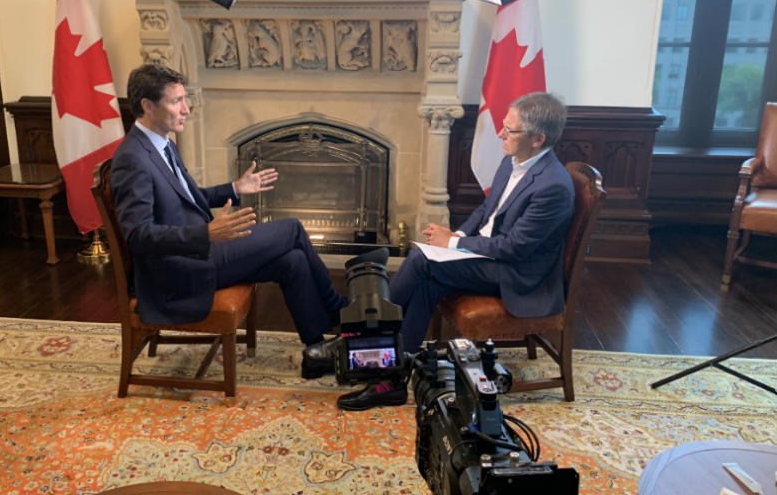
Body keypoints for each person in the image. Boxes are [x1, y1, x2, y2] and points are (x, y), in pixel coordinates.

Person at [337, 92, 575, 411]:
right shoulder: (513, 161)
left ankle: (364, 335)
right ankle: (392, 378)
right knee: (427, 282)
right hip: (488, 255)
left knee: (421, 259)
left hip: (516, 273)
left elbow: (515, 248)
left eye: (510, 130)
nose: (501, 134)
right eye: (503, 126)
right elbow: (487, 209)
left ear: (538, 138)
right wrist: (458, 234)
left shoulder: (553, 185)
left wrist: (452, 244)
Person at [110, 64, 347, 379]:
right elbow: (138, 235)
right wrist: (205, 233)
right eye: (177, 101)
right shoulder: (132, 159)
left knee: (292, 260)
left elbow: (189, 198)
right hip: (179, 270)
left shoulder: (162, 142)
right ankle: (340, 312)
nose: (187, 108)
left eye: (185, 99)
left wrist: (235, 189)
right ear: (148, 106)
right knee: (291, 228)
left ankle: (317, 350)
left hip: (197, 252)